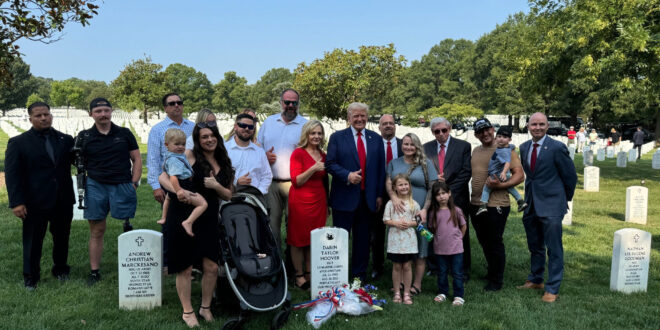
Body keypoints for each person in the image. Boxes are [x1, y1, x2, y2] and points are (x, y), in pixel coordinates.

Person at [159, 122, 233, 326]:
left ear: (217, 137)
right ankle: (187, 311)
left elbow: (229, 194)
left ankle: (205, 307)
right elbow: (162, 176)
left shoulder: (224, 162)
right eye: (204, 137)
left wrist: (216, 185)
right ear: (198, 140)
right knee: (185, 266)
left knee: (211, 266)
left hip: (208, 216)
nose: (209, 139)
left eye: (212, 135)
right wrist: (177, 192)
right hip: (183, 213)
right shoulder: (189, 155)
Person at [5, 102, 74, 290]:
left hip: (62, 198)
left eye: (46, 114)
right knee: (33, 240)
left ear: (51, 115)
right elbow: (13, 175)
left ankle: (60, 270)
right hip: (34, 201)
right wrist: (17, 202)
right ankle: (31, 276)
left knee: (62, 237)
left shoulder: (66, 139)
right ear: (30, 118)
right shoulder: (18, 143)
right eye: (38, 115)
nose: (43, 118)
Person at [76, 98, 142, 286]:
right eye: (98, 111)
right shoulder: (84, 136)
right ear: (91, 114)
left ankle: (132, 265)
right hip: (96, 185)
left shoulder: (124, 133)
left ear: (111, 111)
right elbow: (77, 161)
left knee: (127, 226)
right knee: (97, 229)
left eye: (106, 110)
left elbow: (136, 159)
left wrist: (134, 183)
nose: (103, 114)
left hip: (122, 183)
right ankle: (94, 271)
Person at [518, 112, 577, 303]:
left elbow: (570, 177)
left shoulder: (557, 147)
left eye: (541, 124)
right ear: (528, 126)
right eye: (534, 124)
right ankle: (536, 279)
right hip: (531, 204)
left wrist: (562, 200)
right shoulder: (524, 147)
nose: (538, 128)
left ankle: (552, 287)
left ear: (547, 126)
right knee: (535, 245)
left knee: (554, 248)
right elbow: (531, 176)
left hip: (552, 205)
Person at [327, 102, 385, 281]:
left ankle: (359, 276)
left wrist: (379, 194)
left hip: (367, 199)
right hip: (343, 197)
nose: (359, 119)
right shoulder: (337, 137)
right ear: (349, 118)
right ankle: (339, 275)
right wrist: (347, 175)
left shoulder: (375, 138)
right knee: (341, 240)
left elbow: (380, 169)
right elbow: (330, 164)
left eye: (363, 116)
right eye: (355, 116)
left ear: (367, 117)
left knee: (362, 241)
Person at [469, 117, 524, 292]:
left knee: (494, 241)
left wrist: (500, 185)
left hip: (497, 204)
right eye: (480, 131)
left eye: (487, 130)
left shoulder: (506, 149)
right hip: (477, 203)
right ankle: (491, 271)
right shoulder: (476, 151)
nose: (485, 134)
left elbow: (519, 175)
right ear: (476, 135)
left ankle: (496, 280)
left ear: (493, 129)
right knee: (484, 241)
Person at [257, 89, 308, 249]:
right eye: (287, 102)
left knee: (294, 227)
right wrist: (264, 156)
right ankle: (276, 268)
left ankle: (294, 268)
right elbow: (257, 148)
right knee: (272, 227)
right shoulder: (269, 123)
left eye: (295, 103)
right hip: (271, 184)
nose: (291, 106)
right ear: (281, 103)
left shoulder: (305, 125)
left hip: (295, 185)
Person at [387, 133, 437, 295]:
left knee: (421, 245)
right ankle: (400, 282)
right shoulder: (394, 163)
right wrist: (393, 197)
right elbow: (389, 182)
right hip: (399, 211)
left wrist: (425, 209)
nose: (408, 147)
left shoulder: (425, 163)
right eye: (405, 144)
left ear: (417, 146)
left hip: (419, 210)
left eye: (412, 144)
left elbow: (432, 187)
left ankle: (417, 284)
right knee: (401, 244)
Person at [422, 117, 472, 280]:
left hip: (457, 196)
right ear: (432, 132)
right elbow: (424, 172)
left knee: (459, 230)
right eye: (437, 131)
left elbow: (466, 172)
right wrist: (437, 191)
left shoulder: (463, 146)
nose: (441, 133)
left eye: (444, 130)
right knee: (435, 229)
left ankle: (462, 268)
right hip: (434, 197)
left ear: (449, 129)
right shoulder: (426, 148)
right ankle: (435, 266)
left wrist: (446, 191)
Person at [287, 120, 328, 290]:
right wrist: (313, 168)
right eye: (313, 133)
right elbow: (296, 181)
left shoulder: (324, 155)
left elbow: (326, 180)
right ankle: (298, 275)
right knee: (298, 239)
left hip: (319, 200)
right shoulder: (298, 153)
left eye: (319, 133)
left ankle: (311, 273)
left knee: (313, 239)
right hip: (300, 201)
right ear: (306, 135)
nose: (316, 136)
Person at [156, 129, 208, 238]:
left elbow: (165, 169)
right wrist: (179, 190)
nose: (180, 147)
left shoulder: (172, 156)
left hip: (179, 184)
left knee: (168, 198)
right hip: (183, 184)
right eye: (176, 144)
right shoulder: (175, 160)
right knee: (203, 204)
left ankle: (164, 217)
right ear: (167, 145)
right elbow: (174, 177)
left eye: (183, 144)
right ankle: (188, 222)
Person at [147, 93, 195, 204]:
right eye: (172, 103)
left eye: (179, 103)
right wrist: (156, 187)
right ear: (165, 108)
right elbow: (153, 159)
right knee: (172, 216)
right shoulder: (157, 130)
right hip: (169, 180)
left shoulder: (192, 127)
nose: (176, 105)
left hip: (191, 178)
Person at [372, 114, 403, 279]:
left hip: (400, 193)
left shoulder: (403, 144)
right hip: (379, 193)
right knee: (377, 232)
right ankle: (378, 266)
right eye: (385, 124)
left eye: (391, 123)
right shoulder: (373, 144)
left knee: (401, 228)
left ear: (395, 126)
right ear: (379, 127)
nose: (388, 126)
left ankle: (402, 264)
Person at [428, 181, 466, 307]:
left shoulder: (456, 210)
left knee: (457, 272)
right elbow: (432, 228)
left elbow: (463, 226)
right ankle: (442, 292)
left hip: (456, 248)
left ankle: (458, 295)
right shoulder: (434, 212)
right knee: (442, 271)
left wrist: (460, 237)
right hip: (440, 248)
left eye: (444, 193)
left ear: (449, 193)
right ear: (435, 197)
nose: (441, 196)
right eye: (438, 194)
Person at [383, 174, 419, 305]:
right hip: (395, 241)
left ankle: (407, 293)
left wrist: (410, 223)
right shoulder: (390, 204)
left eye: (406, 184)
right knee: (397, 266)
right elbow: (386, 219)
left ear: (409, 186)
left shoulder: (414, 204)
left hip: (409, 241)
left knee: (408, 266)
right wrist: (396, 223)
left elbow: (418, 221)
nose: (404, 187)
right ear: (395, 188)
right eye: (400, 185)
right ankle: (397, 292)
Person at [475, 126, 527, 215]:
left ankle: (483, 205)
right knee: (510, 187)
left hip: (497, 174)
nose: (501, 139)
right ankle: (520, 201)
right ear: (495, 138)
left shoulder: (504, 151)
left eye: (504, 137)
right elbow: (510, 147)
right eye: (499, 137)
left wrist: (503, 172)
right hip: (499, 173)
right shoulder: (505, 147)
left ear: (509, 139)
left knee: (486, 188)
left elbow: (507, 162)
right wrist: (512, 146)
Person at [225, 113, 272, 194]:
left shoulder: (259, 152)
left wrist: (258, 192)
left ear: (253, 130)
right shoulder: (225, 149)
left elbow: (267, 176)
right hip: (229, 197)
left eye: (250, 127)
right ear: (235, 127)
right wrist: (236, 183)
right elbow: (219, 174)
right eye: (243, 125)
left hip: (253, 199)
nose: (247, 128)